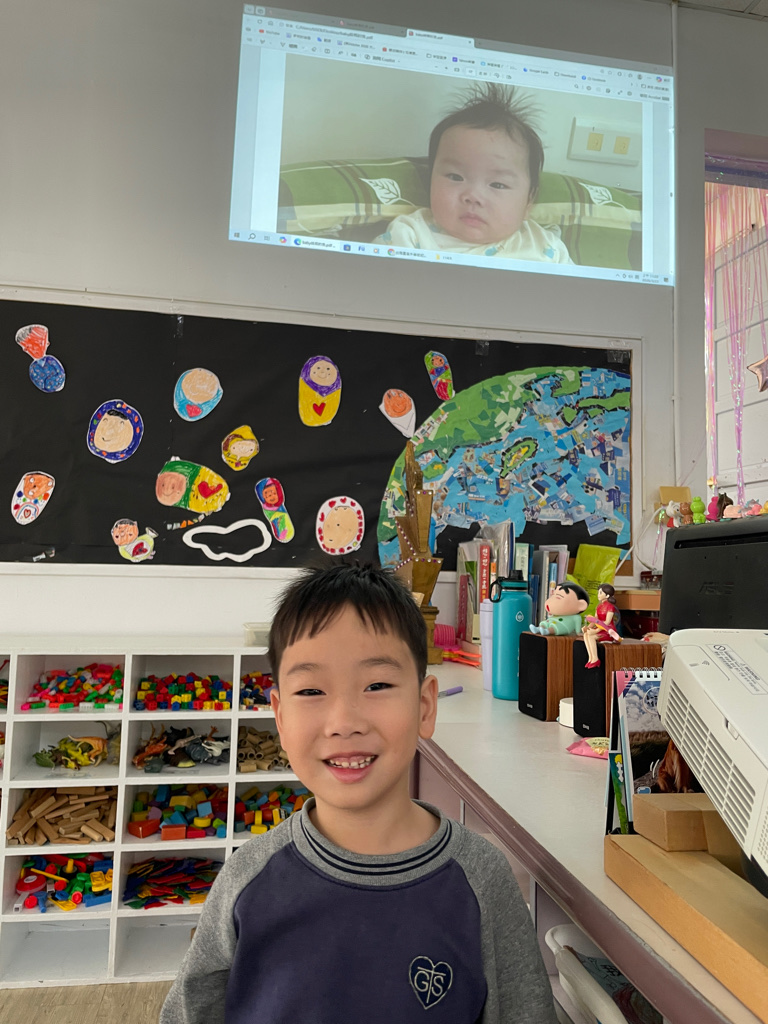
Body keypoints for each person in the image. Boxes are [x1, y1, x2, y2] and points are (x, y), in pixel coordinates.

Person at [160, 563, 558, 1024]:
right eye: (311, 690)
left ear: (424, 706)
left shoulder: (480, 879)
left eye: (377, 685)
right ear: (280, 717)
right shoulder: (248, 879)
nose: (344, 722)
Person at [377, 84, 572, 263]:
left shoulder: (545, 247)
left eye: (497, 185)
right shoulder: (410, 235)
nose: (473, 197)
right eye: (455, 177)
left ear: (529, 201)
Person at [582, 583, 622, 669]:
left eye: (600, 593)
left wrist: (596, 631)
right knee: (586, 634)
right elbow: (595, 620)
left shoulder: (610, 607)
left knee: (591, 636)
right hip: (600, 629)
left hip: (608, 631)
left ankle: (595, 659)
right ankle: (591, 658)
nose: (598, 595)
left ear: (607, 595)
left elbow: (607, 622)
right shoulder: (599, 606)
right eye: (598, 592)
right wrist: (588, 628)